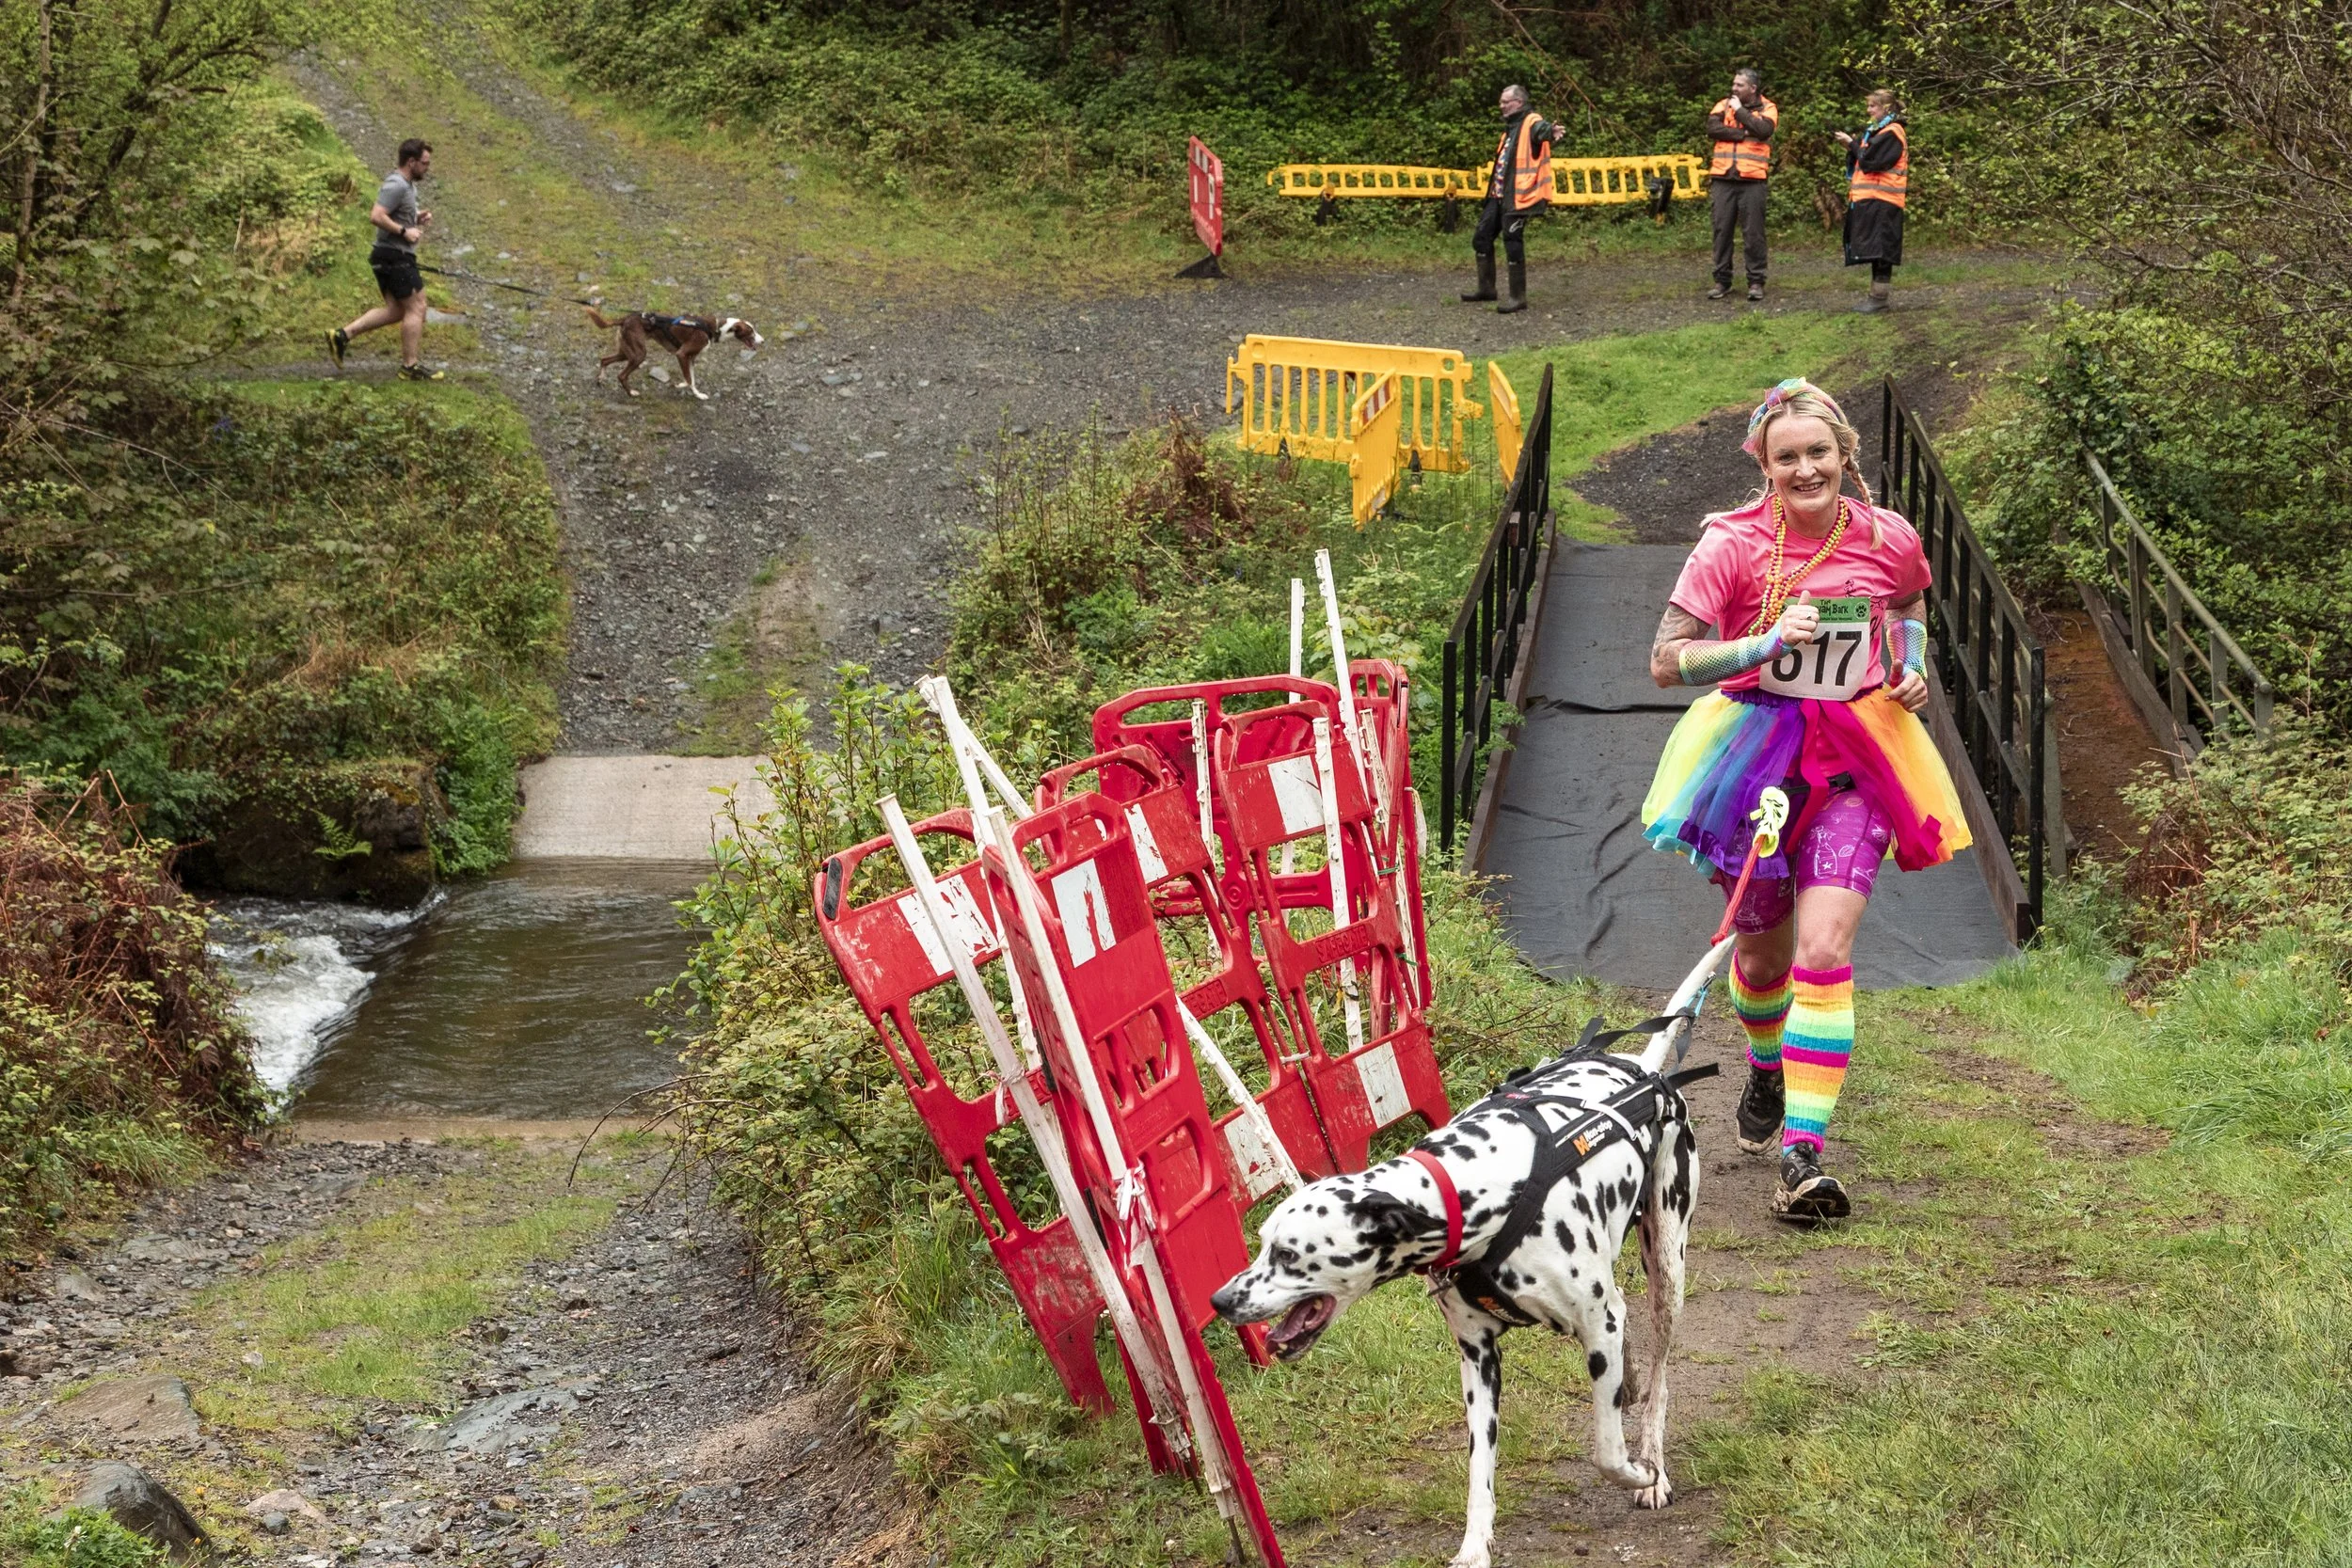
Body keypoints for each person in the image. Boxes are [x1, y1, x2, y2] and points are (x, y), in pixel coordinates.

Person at [1641, 379, 1971, 1223]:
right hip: (1753, 757)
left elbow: (1907, 604)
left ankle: (1803, 1157)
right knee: (1761, 960)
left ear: (1844, 452)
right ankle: (1762, 1064)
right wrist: (1761, 641)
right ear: (1764, 463)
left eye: (1818, 451)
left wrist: (1911, 664)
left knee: (1824, 947)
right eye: (1786, 456)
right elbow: (1667, 661)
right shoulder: (1733, 544)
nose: (1805, 468)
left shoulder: (1886, 536)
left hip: (1857, 754)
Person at [326, 138, 444, 382]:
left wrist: (415, 217)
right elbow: (377, 216)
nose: (427, 168)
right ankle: (409, 367)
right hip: (394, 256)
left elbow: (394, 214)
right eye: (424, 163)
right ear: (411, 162)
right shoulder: (396, 184)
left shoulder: (408, 186)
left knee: (397, 310)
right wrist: (404, 231)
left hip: (391, 255)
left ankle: (342, 336)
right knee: (417, 307)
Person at [1459, 84, 1565, 315]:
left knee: (1512, 241)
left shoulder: (1531, 122)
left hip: (1521, 197)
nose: (1501, 106)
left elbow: (1541, 130)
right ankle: (1486, 289)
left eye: (1505, 102)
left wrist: (1551, 131)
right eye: (1501, 101)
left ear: (1519, 102)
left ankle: (1518, 297)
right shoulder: (1510, 128)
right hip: (1498, 196)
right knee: (1481, 238)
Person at [1834, 90, 1909, 313]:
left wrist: (1852, 144)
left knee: (1882, 251)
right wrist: (1854, 146)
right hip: (1874, 199)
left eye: (1872, 106)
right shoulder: (1881, 132)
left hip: (1883, 200)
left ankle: (1878, 298)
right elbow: (1867, 157)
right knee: (1876, 250)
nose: (1868, 111)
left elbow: (1870, 161)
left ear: (1886, 108)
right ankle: (1877, 297)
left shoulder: (1892, 132)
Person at [1706, 71, 1777, 303]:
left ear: (1753, 88)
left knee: (1754, 233)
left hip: (1753, 179)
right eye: (1733, 83)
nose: (1734, 88)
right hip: (1722, 178)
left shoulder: (1768, 108)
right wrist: (1743, 132)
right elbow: (1712, 129)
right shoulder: (1722, 104)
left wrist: (1740, 112)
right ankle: (1722, 281)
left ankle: (1756, 282)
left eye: (1740, 85)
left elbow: (1764, 131)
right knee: (1721, 230)